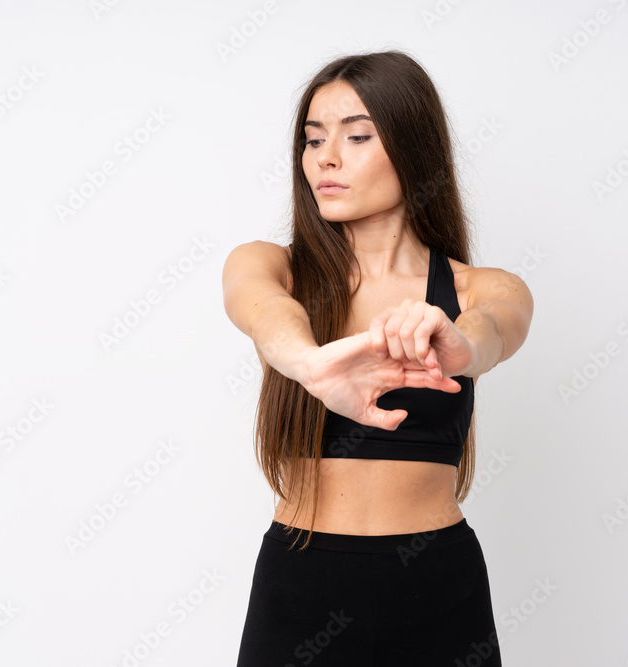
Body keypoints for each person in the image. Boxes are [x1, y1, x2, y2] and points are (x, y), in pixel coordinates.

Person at [222, 50, 532, 666]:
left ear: (414, 149)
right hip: (299, 587)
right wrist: (310, 363)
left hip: (436, 590)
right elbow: (261, 310)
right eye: (313, 140)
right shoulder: (270, 265)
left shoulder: (478, 288)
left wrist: (460, 345)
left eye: (356, 135)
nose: (326, 158)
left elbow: (497, 327)